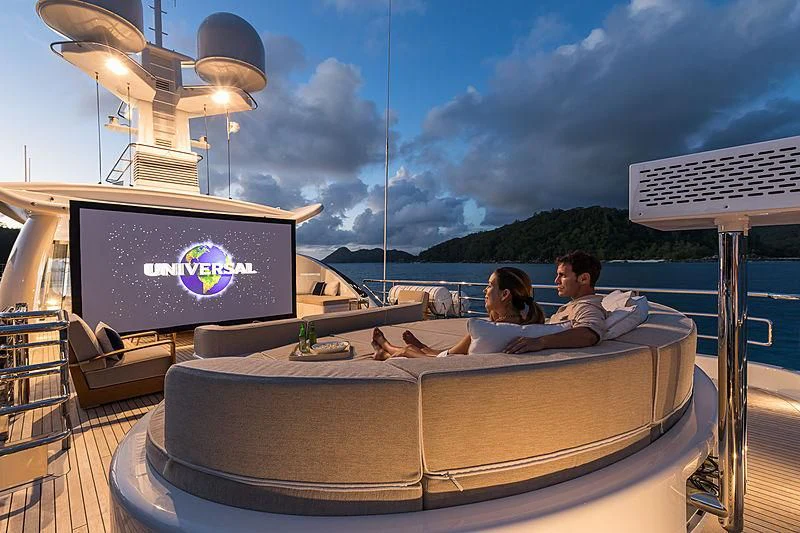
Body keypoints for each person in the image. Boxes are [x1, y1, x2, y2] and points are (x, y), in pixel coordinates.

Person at [372, 267, 545, 360]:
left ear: (505, 294)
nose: (485, 290)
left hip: (448, 367)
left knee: (408, 350)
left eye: (490, 285)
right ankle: (401, 350)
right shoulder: (530, 327)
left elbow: (451, 356)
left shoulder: (487, 330)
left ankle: (387, 348)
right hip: (457, 359)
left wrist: (412, 351)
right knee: (430, 350)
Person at [503, 250, 607, 354]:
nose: (556, 281)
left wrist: (541, 342)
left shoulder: (588, 307)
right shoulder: (575, 306)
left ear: (584, 279)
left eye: (562, 275)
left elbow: (589, 334)